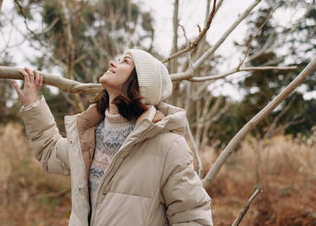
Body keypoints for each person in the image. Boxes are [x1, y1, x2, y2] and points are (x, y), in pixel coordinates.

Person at [12, 49, 213, 226]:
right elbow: (50, 153)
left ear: (140, 82)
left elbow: (192, 217)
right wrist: (32, 105)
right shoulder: (88, 138)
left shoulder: (168, 146)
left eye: (125, 61)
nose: (112, 63)